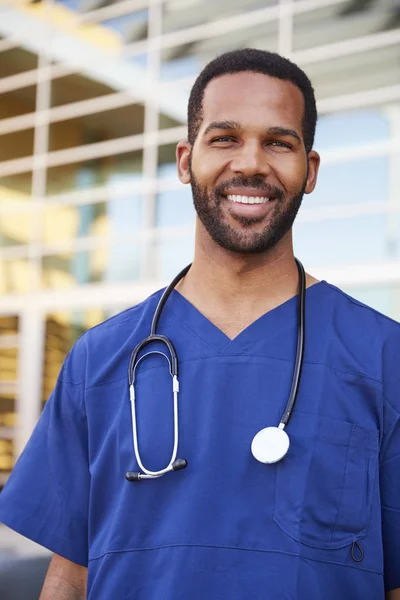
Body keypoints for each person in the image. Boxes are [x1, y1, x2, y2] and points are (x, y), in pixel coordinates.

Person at [0, 48, 399, 600]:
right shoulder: (100, 359)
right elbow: (69, 577)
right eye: (225, 138)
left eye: (278, 142)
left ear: (309, 171)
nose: (252, 163)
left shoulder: (383, 358)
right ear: (186, 160)